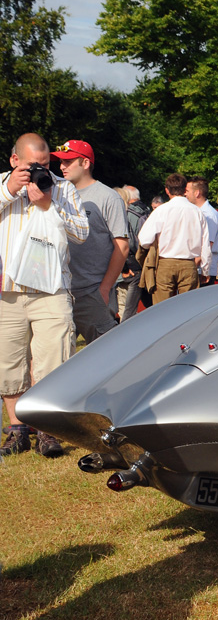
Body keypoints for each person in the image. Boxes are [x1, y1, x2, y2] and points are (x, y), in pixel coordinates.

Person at [0, 133, 89, 458]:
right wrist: (10, 190)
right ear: (14, 161)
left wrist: (49, 204)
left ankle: (47, 432)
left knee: (54, 359)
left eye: (45, 165)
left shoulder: (62, 189)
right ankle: (17, 430)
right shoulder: (3, 184)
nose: (40, 171)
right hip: (7, 290)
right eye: (31, 165)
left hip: (52, 290)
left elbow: (81, 234)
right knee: (9, 362)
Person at [53, 139, 129, 343]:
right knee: (55, 362)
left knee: (107, 358)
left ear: (85, 163)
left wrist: (104, 289)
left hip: (91, 293)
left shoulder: (108, 197)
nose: (61, 167)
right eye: (60, 162)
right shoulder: (57, 194)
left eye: (68, 161)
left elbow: (122, 246)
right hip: (60, 292)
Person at [137, 173, 211, 303]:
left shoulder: (161, 210)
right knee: (189, 309)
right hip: (189, 264)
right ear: (184, 190)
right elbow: (205, 243)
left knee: (162, 309)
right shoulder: (197, 211)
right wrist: (205, 269)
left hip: (165, 264)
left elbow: (144, 239)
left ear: (167, 190)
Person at [116, 185, 150, 321]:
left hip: (128, 267)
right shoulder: (147, 211)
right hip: (142, 265)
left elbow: (125, 243)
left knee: (125, 309)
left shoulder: (127, 215)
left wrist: (124, 265)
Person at [185, 177, 218, 284]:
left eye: (187, 191)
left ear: (197, 193)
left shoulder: (209, 215)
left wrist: (191, 267)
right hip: (197, 268)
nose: (185, 194)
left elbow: (206, 245)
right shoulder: (198, 212)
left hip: (202, 271)